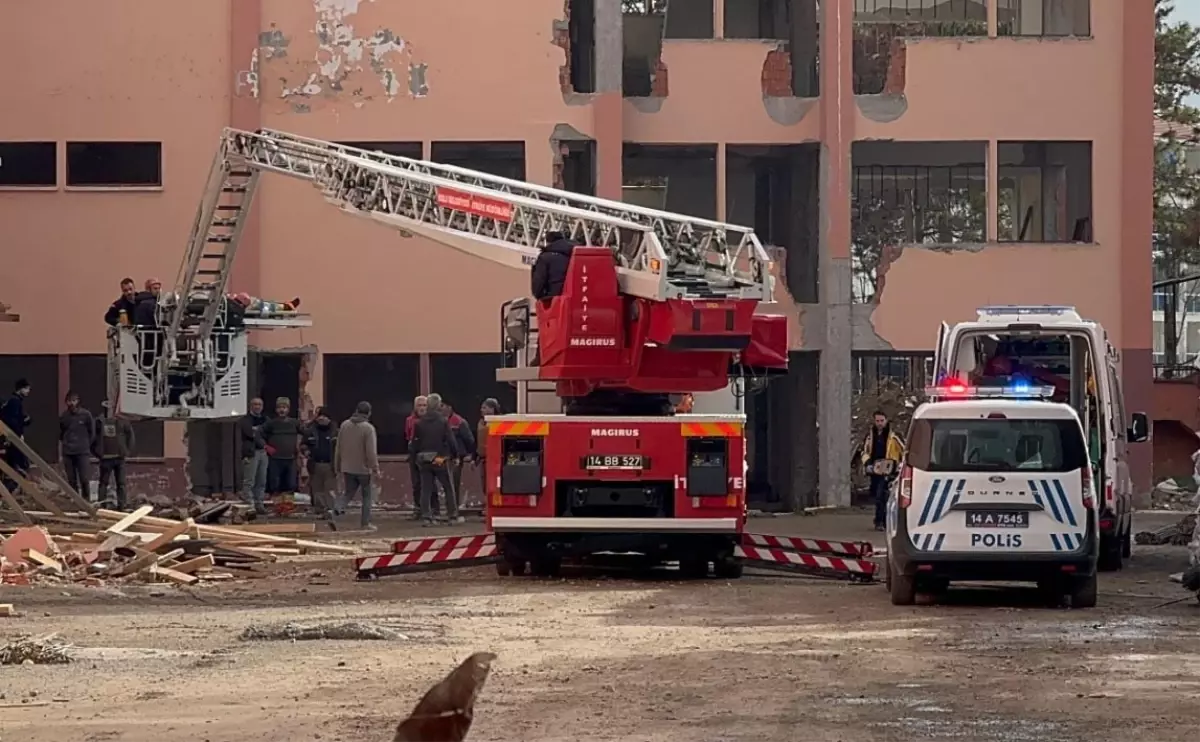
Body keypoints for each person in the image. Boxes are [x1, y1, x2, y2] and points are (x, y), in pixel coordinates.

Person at [410, 392, 461, 526]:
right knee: (448, 487)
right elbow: (450, 440)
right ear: (438, 405)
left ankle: (427, 516)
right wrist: (455, 455)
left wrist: (414, 457)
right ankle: (452, 515)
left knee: (426, 488)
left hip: (424, 459)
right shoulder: (443, 421)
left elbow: (415, 443)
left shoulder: (419, 423)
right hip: (439, 458)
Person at [335, 401, 380, 532]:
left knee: (348, 493)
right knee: (366, 496)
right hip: (363, 469)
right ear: (369, 413)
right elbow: (371, 452)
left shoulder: (344, 425)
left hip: (347, 467)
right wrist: (375, 467)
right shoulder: (368, 428)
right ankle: (365, 523)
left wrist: (337, 465)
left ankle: (336, 510)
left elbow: (338, 447)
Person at [859, 410, 905, 532]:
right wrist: (868, 463)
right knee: (877, 496)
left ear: (886, 420)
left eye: (881, 421)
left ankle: (881, 521)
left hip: (889, 470)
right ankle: (881, 520)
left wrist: (898, 465)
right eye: (877, 421)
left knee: (881, 496)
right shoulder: (870, 436)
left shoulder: (894, 436)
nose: (879, 423)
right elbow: (864, 452)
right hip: (875, 470)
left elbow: (904, 451)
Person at [93, 401, 135, 510]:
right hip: (105, 458)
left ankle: (122, 505)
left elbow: (130, 435)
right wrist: (96, 452)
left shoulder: (123, 421)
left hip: (119, 457)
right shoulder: (99, 421)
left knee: (121, 483)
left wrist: (127, 450)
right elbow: (92, 437)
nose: (110, 410)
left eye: (112, 407)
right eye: (108, 407)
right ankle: (102, 506)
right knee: (103, 483)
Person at [261, 397, 301, 504]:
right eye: (279, 407)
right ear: (276, 409)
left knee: (290, 484)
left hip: (291, 458)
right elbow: (258, 435)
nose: (282, 410)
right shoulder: (271, 424)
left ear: (288, 409)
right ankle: (277, 507)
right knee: (275, 484)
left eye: (284, 407)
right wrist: (266, 446)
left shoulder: (295, 423)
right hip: (275, 459)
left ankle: (287, 507)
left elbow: (306, 433)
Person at [302, 406, 338, 523]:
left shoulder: (335, 431)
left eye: (324, 416)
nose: (322, 419)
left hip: (330, 465)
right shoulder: (310, 430)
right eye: (320, 416)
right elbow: (303, 444)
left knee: (329, 489)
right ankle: (320, 511)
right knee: (317, 490)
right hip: (315, 464)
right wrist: (306, 451)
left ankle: (330, 510)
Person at [59, 391, 96, 502]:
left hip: (82, 451)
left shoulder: (86, 415)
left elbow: (92, 432)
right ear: (66, 402)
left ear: (78, 401)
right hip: (68, 452)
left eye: (74, 400)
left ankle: (86, 500)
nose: (72, 403)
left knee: (84, 478)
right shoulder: (64, 416)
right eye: (69, 401)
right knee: (71, 479)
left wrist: (86, 444)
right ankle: (75, 501)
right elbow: (61, 433)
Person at [442, 401, 476, 510]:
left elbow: (469, 439)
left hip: (455, 457)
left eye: (442, 406)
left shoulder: (459, 422)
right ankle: (449, 507)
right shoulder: (441, 421)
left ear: (449, 407)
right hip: (442, 456)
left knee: (453, 483)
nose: (440, 408)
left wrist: (471, 455)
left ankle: (453, 508)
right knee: (445, 483)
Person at [0, 378, 33, 490]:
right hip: (12, 439)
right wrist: (22, 424)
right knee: (18, 466)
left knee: (18, 465)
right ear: (21, 389)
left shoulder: (12, 401)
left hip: (11, 438)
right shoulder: (15, 401)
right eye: (27, 388)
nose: (28, 391)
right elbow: (12, 420)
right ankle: (8, 492)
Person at [238, 397, 269, 515]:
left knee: (261, 480)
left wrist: (258, 430)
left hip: (263, 452)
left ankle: (259, 504)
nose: (257, 407)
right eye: (255, 404)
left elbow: (268, 432)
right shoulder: (245, 420)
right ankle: (249, 505)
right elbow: (250, 434)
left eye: (260, 405)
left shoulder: (266, 419)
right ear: (250, 406)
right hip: (251, 453)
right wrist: (260, 432)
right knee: (249, 481)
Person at [530, 231, 575, 301]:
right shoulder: (573, 254)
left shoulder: (544, 258)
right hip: (573, 299)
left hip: (552, 300)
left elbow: (537, 287)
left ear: (547, 242)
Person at [405, 395, 430, 519]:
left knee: (428, 483)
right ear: (415, 407)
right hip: (414, 454)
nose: (422, 408)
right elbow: (408, 436)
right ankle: (417, 508)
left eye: (424, 405)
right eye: (419, 405)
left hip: (428, 453)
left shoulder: (432, 420)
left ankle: (430, 509)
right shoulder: (409, 420)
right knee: (416, 483)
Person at [476, 398, 501, 497]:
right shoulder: (481, 423)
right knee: (484, 483)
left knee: (493, 483)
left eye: (484, 408)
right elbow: (477, 440)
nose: (481, 410)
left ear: (492, 409)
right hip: (483, 458)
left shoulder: (499, 422)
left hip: (494, 459)